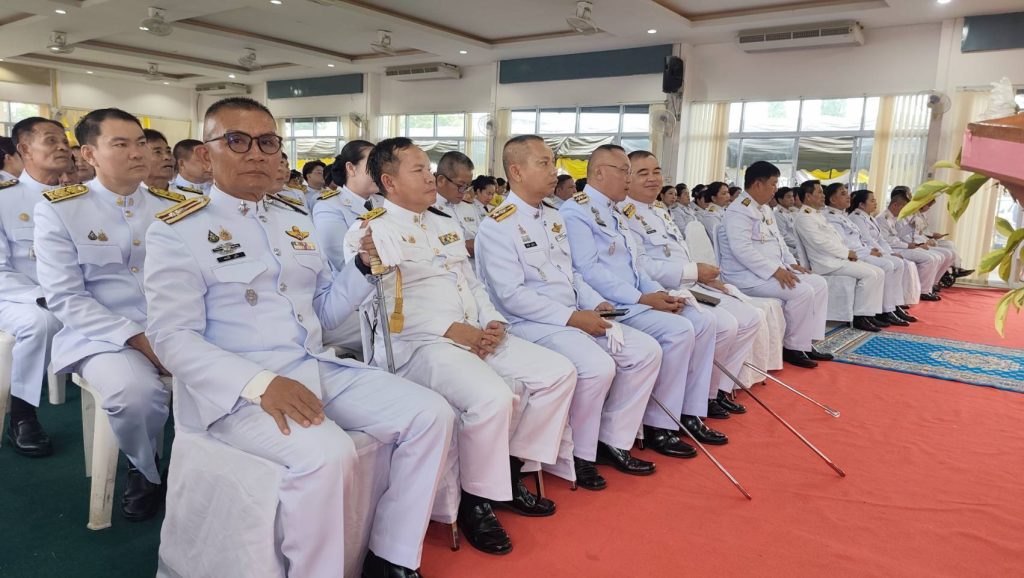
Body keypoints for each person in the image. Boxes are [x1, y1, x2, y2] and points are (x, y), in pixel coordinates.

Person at [144, 98, 453, 578]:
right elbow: (171, 338)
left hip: (312, 365)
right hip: (236, 393)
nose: (255, 153)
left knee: (431, 413)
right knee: (328, 455)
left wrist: (361, 267)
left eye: (267, 142)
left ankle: (391, 557)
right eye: (237, 141)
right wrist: (261, 384)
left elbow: (324, 312)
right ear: (206, 154)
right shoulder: (178, 231)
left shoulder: (292, 218)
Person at [349, 137, 576, 556]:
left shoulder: (443, 223)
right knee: (494, 398)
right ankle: (476, 501)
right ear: (389, 181)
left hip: (474, 333)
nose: (430, 177)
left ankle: (509, 468)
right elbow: (383, 309)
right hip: (420, 345)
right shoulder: (372, 232)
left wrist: (491, 321)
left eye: (429, 168)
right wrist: (454, 330)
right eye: (418, 170)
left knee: (558, 373)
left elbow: (472, 283)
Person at [476, 135, 660, 491]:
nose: (554, 170)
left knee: (645, 351)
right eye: (543, 163)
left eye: (552, 161)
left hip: (571, 314)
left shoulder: (552, 215)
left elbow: (571, 272)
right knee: (597, 366)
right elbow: (511, 296)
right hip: (529, 323)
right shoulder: (497, 225)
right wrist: (573, 318)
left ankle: (612, 439)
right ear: (516, 171)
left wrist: (594, 302)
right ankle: (576, 455)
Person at [34, 108, 182, 521]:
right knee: (135, 394)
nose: (138, 153)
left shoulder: (174, 206)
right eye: (121, 144)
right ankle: (146, 468)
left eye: (141, 143)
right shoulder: (60, 209)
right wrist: (138, 338)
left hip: (173, 324)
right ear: (90, 154)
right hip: (100, 334)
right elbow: (66, 297)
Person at [561, 144, 724, 449]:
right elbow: (588, 270)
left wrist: (657, 293)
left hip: (634, 299)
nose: (628, 178)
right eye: (624, 171)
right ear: (600, 172)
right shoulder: (576, 211)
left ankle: (688, 410)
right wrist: (641, 298)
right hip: (611, 304)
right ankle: (657, 423)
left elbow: (635, 265)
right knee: (679, 330)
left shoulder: (615, 210)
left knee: (700, 319)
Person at [627, 151, 759, 419]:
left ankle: (716, 390)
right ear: (626, 178)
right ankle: (693, 401)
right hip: (661, 289)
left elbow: (679, 254)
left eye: (656, 172)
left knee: (750, 317)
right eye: (643, 173)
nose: (653, 179)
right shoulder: (624, 214)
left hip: (688, 282)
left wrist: (704, 278)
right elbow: (641, 266)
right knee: (722, 325)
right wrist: (693, 272)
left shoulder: (658, 210)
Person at [718, 162, 831, 369]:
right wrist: (775, 271)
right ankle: (792, 347)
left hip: (771, 270)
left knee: (819, 283)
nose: (775, 189)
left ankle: (807, 342)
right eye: (773, 184)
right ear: (758, 185)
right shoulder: (739, 211)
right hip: (747, 277)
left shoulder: (764, 209)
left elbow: (778, 241)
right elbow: (741, 250)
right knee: (802, 291)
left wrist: (791, 264)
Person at [0, 117, 68, 455]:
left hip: (72, 296)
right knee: (39, 323)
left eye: (64, 140)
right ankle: (22, 414)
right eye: (51, 140)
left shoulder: (77, 200)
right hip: (16, 297)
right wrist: (42, 296)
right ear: (25, 149)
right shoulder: (5, 199)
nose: (63, 147)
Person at [794, 180, 885, 332]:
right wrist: (846, 253)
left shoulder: (816, 214)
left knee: (879, 272)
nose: (823, 195)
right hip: (826, 263)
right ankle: (860, 316)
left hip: (837, 259)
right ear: (808, 196)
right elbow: (820, 243)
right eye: (819, 192)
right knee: (870, 275)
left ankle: (870, 314)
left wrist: (847, 253)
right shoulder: (805, 217)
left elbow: (836, 239)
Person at [823, 183, 914, 327]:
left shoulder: (844, 216)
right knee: (887, 265)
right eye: (843, 194)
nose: (848, 197)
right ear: (832, 200)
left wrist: (886, 252)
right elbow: (846, 244)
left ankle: (891, 306)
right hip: (854, 255)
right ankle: (881, 310)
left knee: (896, 263)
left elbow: (875, 240)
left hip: (861, 251)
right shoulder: (836, 217)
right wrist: (870, 251)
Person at [847, 189, 927, 314]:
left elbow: (881, 239)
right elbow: (868, 240)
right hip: (865, 251)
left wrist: (889, 253)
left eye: (875, 200)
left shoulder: (870, 218)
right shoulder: (856, 218)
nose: (875, 203)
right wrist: (885, 254)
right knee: (889, 264)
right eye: (872, 200)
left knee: (898, 262)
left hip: (877, 250)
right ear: (861, 204)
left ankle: (895, 304)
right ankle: (887, 308)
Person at [314, 140, 378, 271]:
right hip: (355, 281)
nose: (380, 171)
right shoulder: (328, 207)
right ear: (351, 168)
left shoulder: (383, 202)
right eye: (373, 164)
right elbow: (342, 262)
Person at [875, 188, 944, 301]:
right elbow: (887, 240)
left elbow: (897, 234)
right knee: (929, 259)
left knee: (933, 257)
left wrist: (910, 227)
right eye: (904, 208)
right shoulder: (883, 218)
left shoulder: (892, 216)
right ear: (895, 205)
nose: (905, 211)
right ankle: (922, 291)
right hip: (893, 249)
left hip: (899, 246)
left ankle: (924, 289)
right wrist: (907, 245)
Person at [912, 199, 974, 281]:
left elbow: (924, 231)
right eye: (928, 205)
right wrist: (928, 239)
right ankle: (955, 269)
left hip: (926, 239)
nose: (929, 208)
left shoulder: (923, 215)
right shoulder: (913, 215)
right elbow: (916, 233)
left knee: (950, 243)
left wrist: (933, 235)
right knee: (947, 249)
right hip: (921, 241)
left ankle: (957, 268)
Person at [433, 151, 480, 257]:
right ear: (441, 180)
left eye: (467, 186)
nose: (464, 191)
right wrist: (463, 246)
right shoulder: (426, 210)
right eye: (460, 185)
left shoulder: (469, 208)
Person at [773, 187, 801, 258]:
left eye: (792, 196)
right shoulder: (778, 214)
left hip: (797, 245)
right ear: (780, 199)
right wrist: (799, 244)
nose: (792, 199)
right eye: (788, 197)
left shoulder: (791, 212)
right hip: (789, 248)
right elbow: (783, 235)